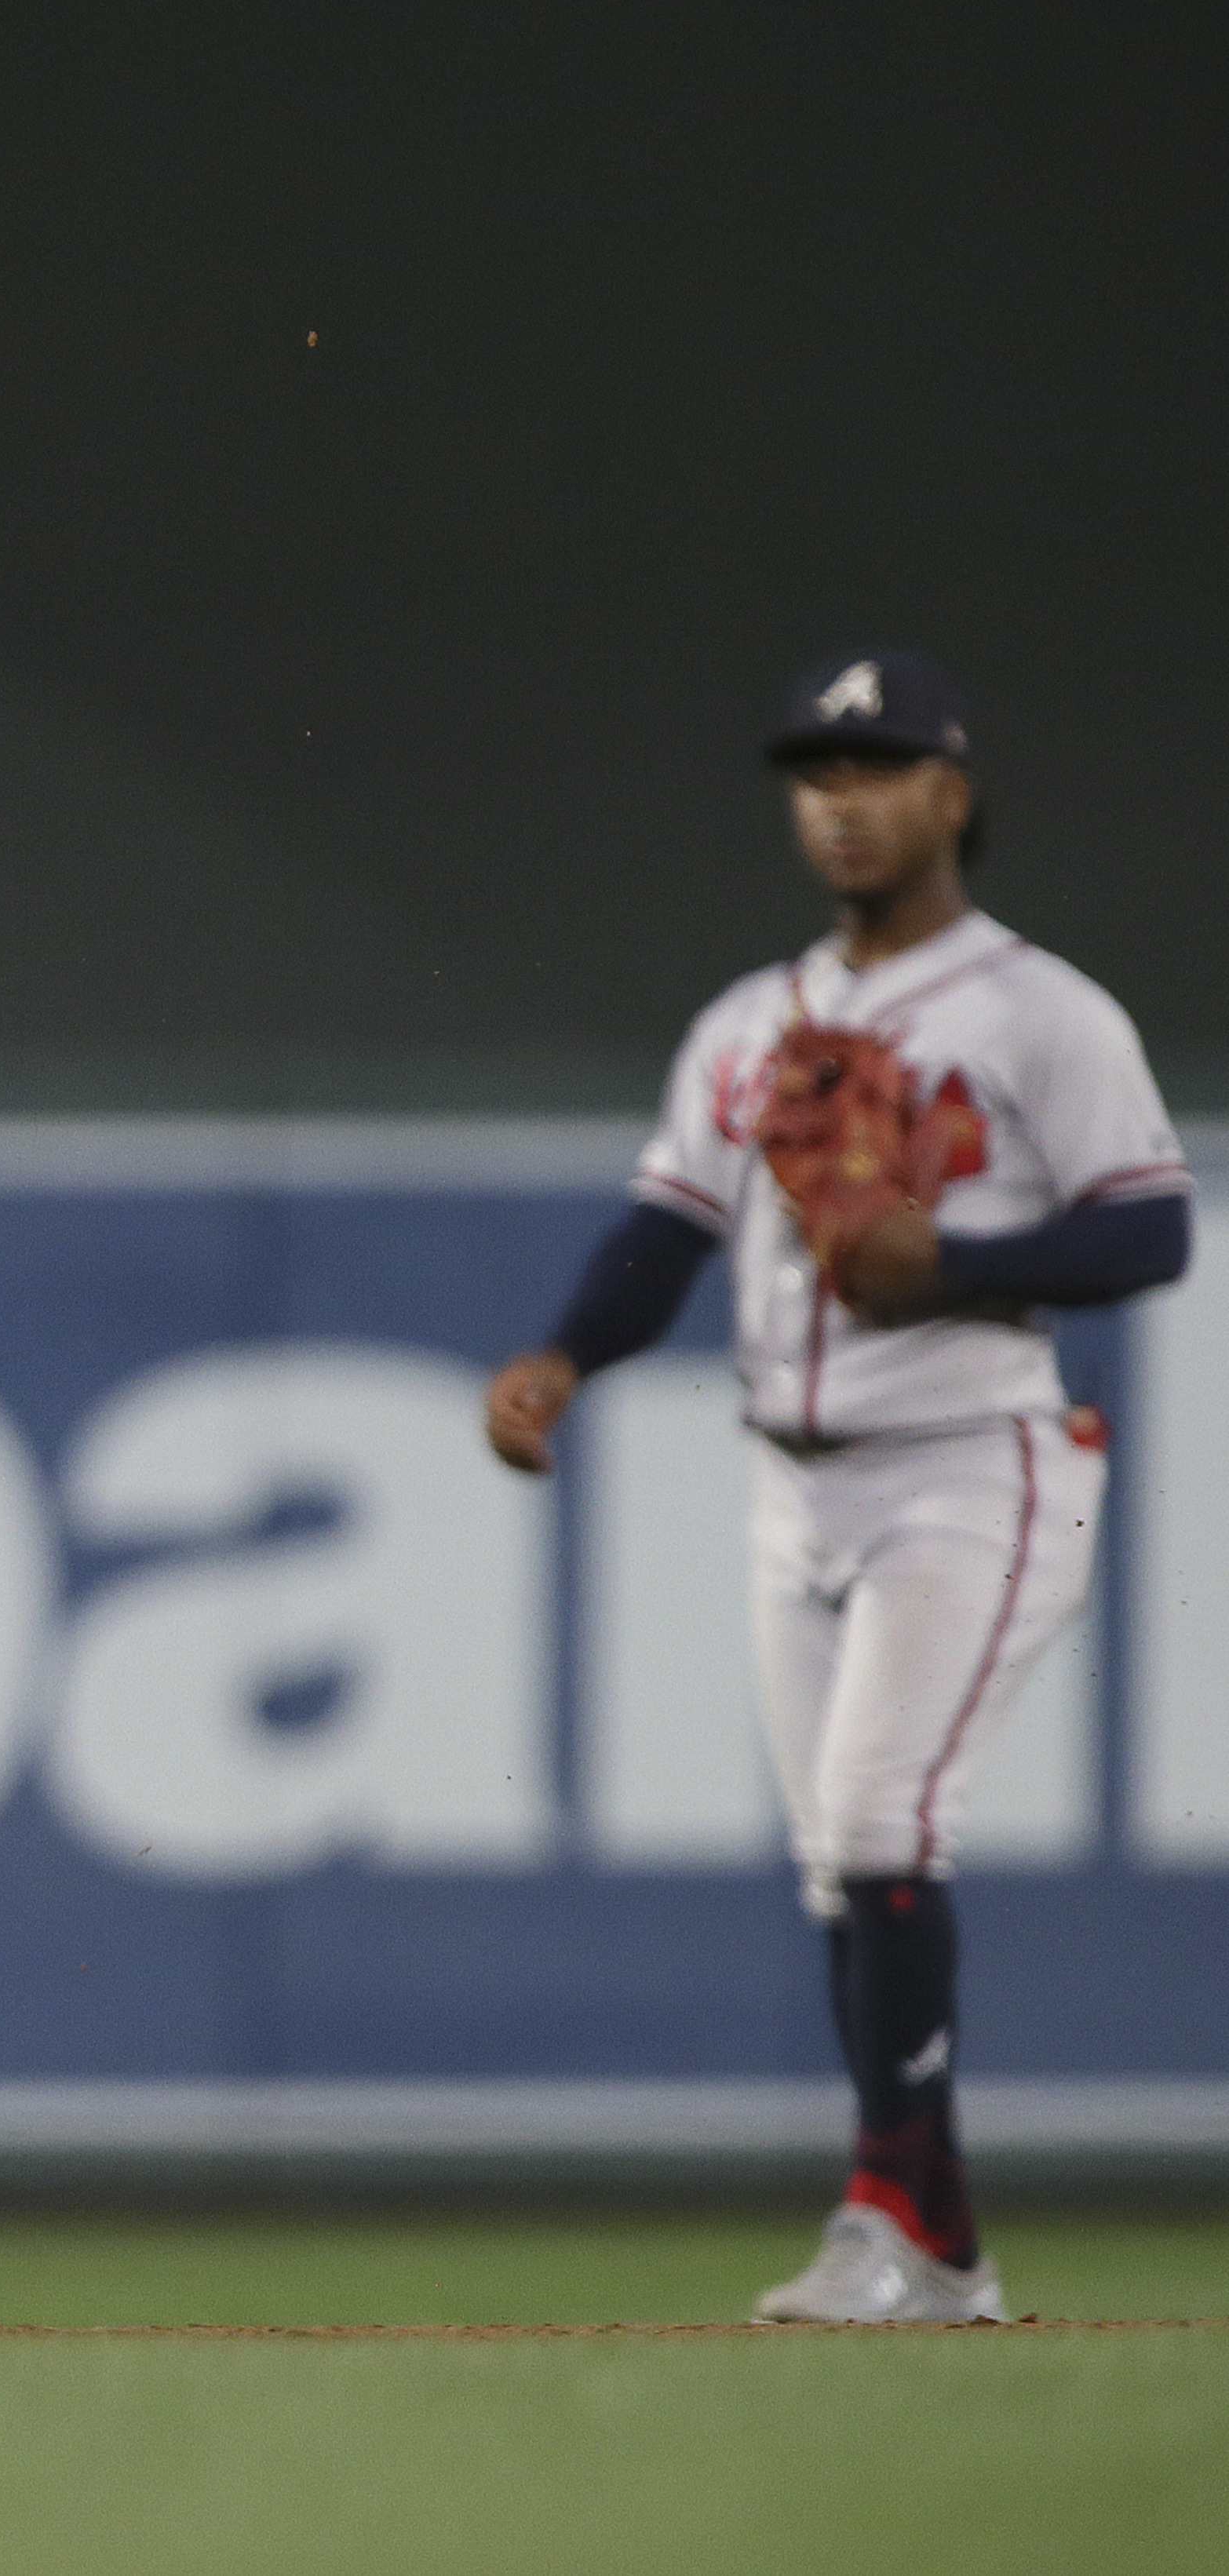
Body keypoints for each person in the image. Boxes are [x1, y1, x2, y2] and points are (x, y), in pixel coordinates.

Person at [482, 650, 1190, 2323]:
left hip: (976, 1464)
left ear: (950, 793)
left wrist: (947, 1259)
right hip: (787, 1485)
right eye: (815, 771)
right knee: (837, 1862)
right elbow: (668, 1225)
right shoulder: (749, 1023)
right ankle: (936, 2245)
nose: (841, 800)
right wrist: (563, 1357)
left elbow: (1148, 1226)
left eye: (876, 767)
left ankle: (884, 2220)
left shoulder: (1039, 1010)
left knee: (880, 1823)